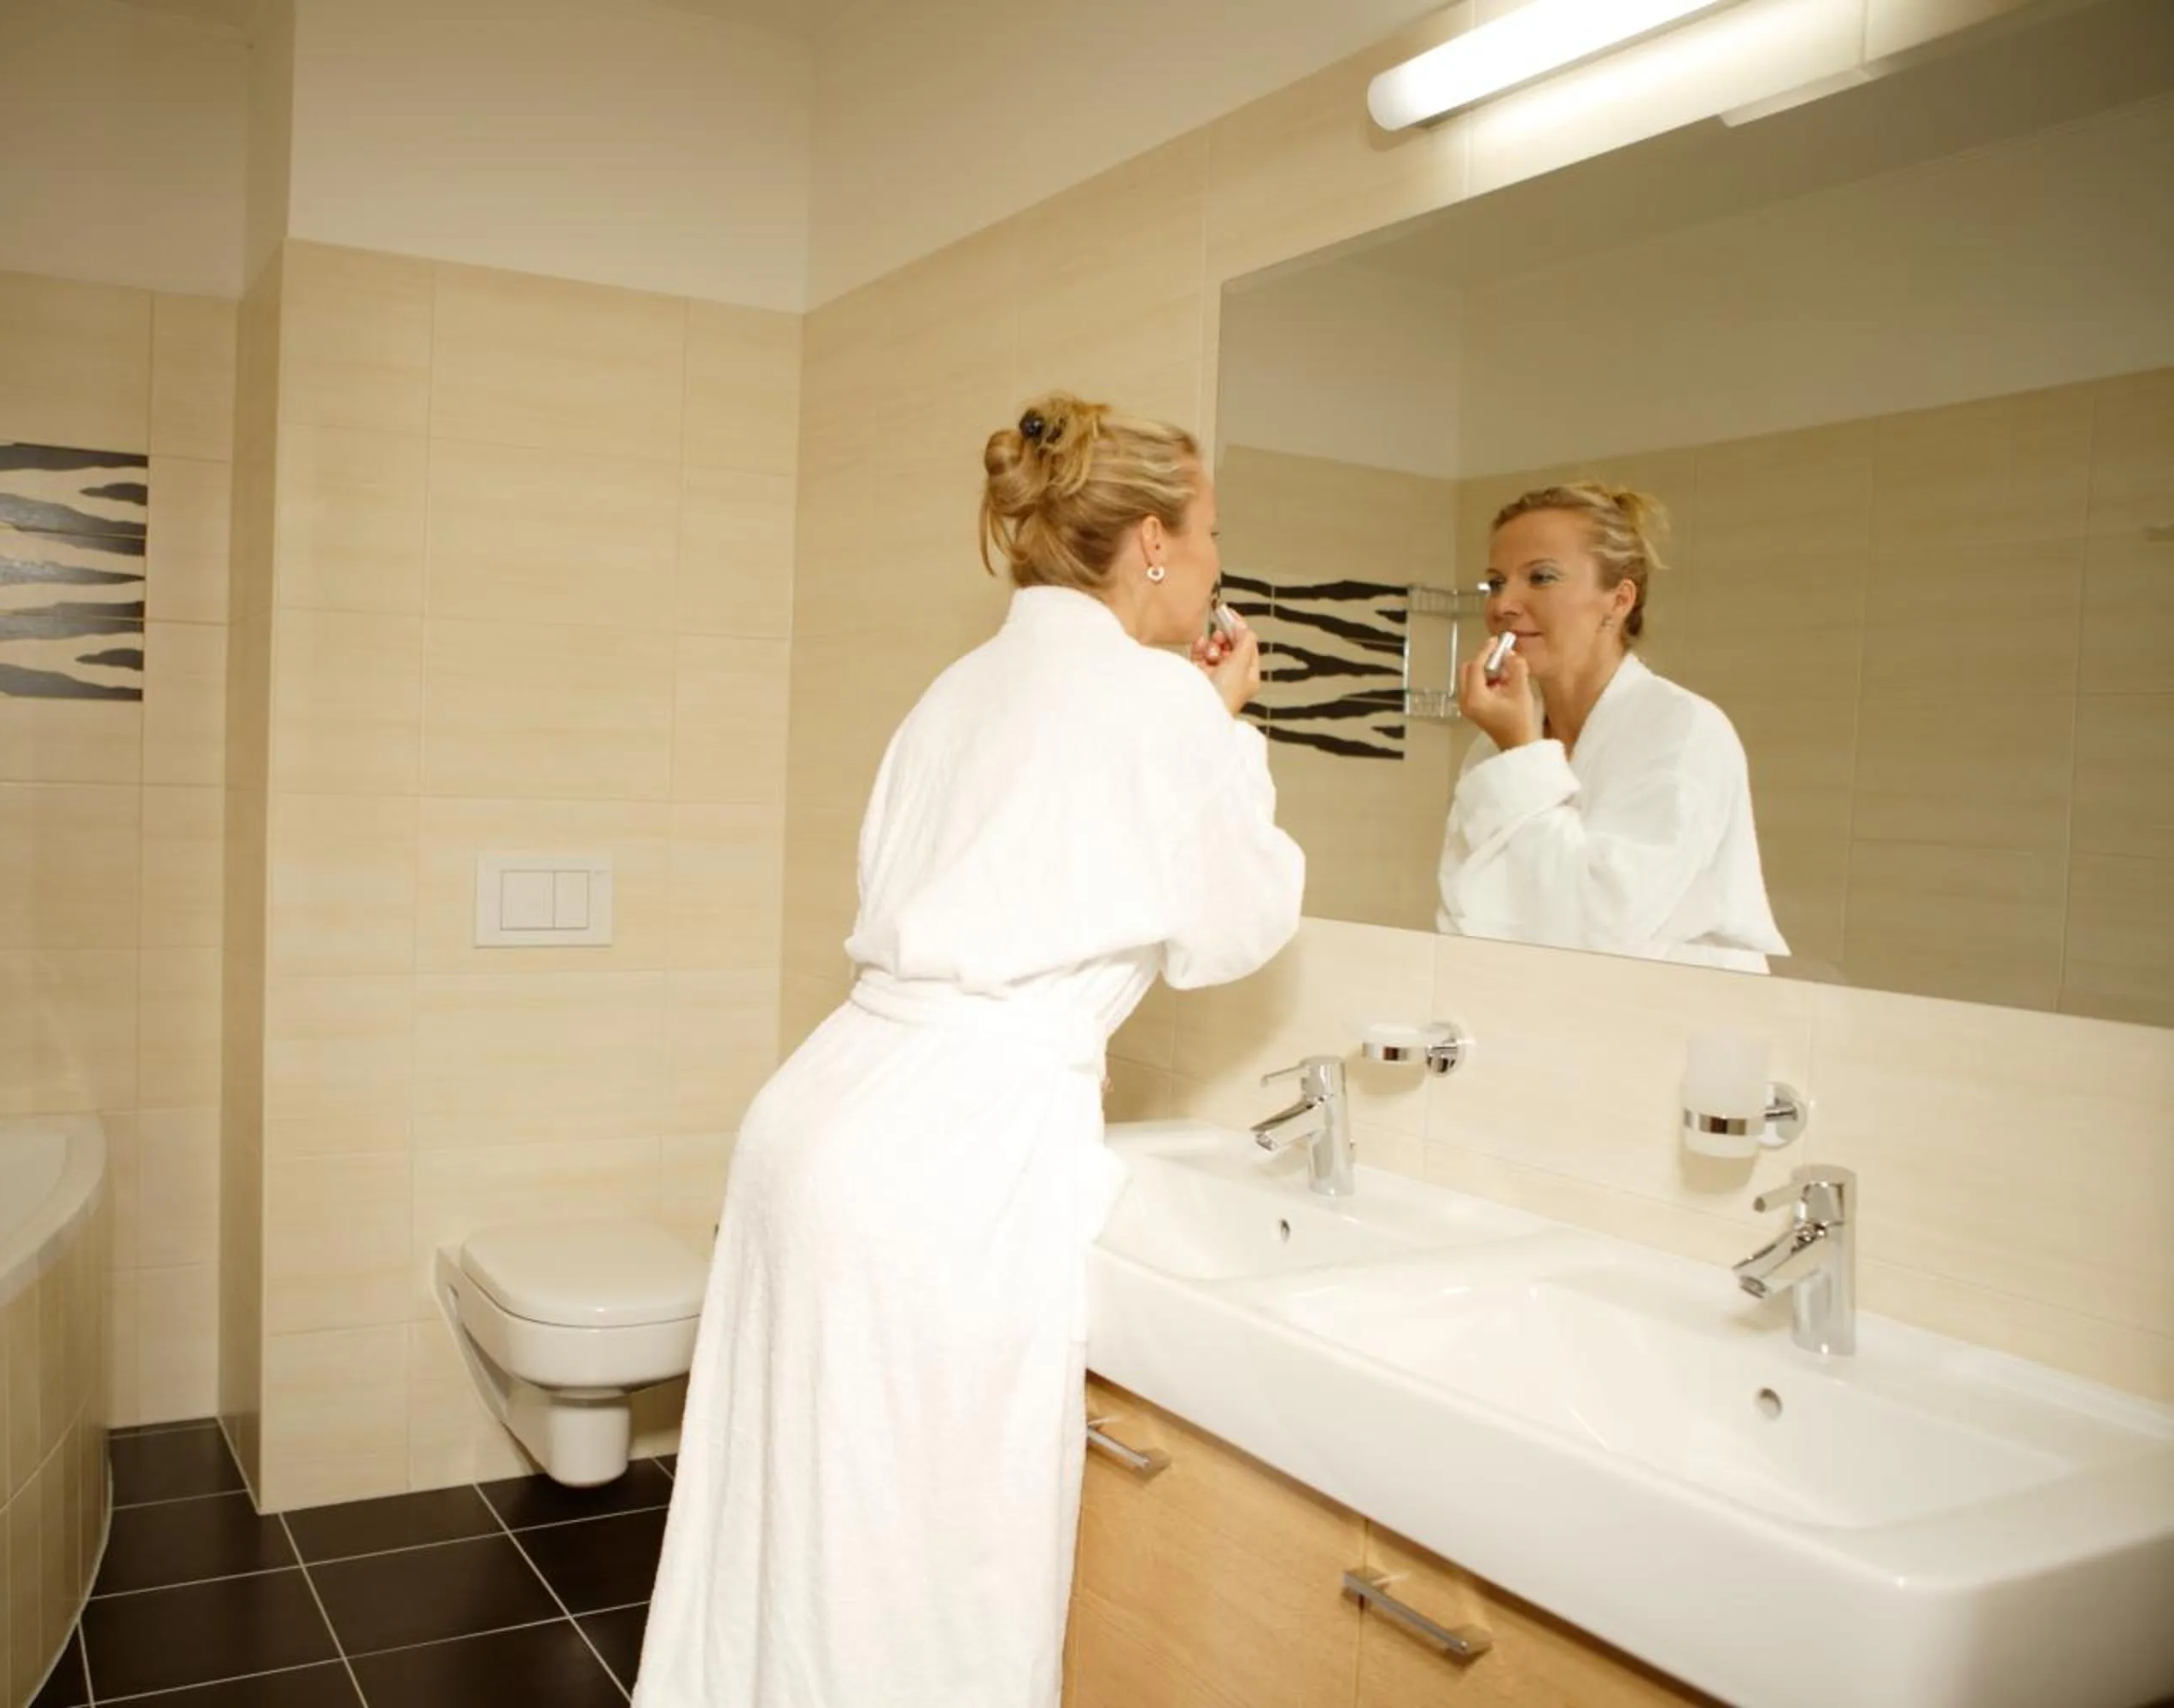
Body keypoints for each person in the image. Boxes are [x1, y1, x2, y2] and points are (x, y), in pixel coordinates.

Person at [634, 393, 1306, 1707]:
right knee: (923, 1558)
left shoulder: (958, 689)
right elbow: (1235, 923)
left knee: (791, 1531)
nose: (1220, 563)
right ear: (1154, 542)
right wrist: (1226, 725)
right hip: (949, 1157)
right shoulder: (1158, 705)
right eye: (1214, 533)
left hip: (821, 1119)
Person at [1437, 483, 1786, 973]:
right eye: (1496, 583)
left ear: (1619, 600)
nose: (1503, 605)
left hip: (1675, 1010)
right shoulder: (1493, 745)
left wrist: (1520, 753)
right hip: (1529, 1002)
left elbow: (1600, 926)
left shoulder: (1683, 729)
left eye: (1541, 577)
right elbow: (1464, 908)